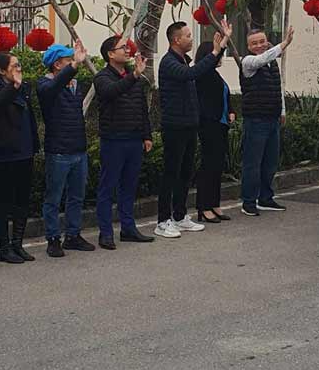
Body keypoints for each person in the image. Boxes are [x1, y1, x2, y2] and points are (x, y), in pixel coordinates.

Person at [154, 19, 230, 238]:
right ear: (176, 40)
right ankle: (162, 220)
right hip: (174, 126)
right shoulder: (169, 62)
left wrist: (222, 44)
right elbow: (192, 74)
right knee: (171, 173)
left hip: (188, 125)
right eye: (188, 35)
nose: (191, 39)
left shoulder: (183, 60)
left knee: (185, 173)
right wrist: (215, 52)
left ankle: (179, 216)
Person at [92, 36, 155, 250]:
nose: (127, 51)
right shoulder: (102, 77)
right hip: (113, 139)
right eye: (122, 48)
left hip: (134, 138)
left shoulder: (132, 77)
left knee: (129, 187)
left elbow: (141, 108)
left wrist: (147, 135)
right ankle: (105, 232)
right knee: (107, 187)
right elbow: (111, 91)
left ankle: (128, 228)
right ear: (110, 54)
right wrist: (135, 75)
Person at [37, 42, 97, 258]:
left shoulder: (74, 84)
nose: (73, 63)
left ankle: (73, 235)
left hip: (78, 148)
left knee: (76, 196)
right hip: (59, 150)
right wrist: (74, 65)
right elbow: (54, 87)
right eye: (68, 60)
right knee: (53, 198)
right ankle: (53, 238)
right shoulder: (45, 85)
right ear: (56, 64)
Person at [0, 52, 39, 264]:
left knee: (22, 198)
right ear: (2, 70)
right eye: (14, 65)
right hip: (6, 151)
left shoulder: (22, 85)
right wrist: (12, 87)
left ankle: (18, 243)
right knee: (5, 199)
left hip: (25, 147)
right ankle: (4, 247)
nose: (18, 68)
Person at [239, 26, 294, 217]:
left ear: (267, 41)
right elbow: (261, 59)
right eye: (254, 43)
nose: (259, 46)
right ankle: (248, 202)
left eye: (262, 41)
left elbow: (278, 88)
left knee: (270, 163)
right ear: (248, 46)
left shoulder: (272, 63)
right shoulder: (247, 62)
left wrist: (283, 111)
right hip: (255, 120)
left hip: (272, 119)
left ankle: (265, 198)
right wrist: (284, 44)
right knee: (252, 164)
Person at [194, 40, 235, 224]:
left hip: (221, 124)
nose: (219, 58)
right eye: (216, 54)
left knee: (218, 166)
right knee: (208, 166)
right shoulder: (202, 73)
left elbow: (225, 94)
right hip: (209, 125)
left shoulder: (215, 75)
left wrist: (232, 110)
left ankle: (215, 204)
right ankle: (203, 207)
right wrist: (223, 43)